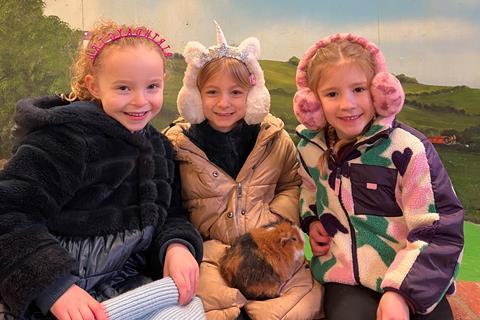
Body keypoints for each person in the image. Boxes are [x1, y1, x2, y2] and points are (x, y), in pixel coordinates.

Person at [0, 21, 206, 320]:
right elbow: (9, 213)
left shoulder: (159, 147)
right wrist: (53, 287)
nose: (140, 101)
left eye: (152, 87)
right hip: (61, 292)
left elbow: (170, 215)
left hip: (124, 283)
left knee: (190, 307)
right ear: (94, 85)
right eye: (123, 87)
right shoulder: (64, 140)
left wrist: (176, 246)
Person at [293, 33, 464, 320]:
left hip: (414, 276)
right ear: (313, 102)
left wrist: (401, 292)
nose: (347, 104)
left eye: (358, 89)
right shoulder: (309, 148)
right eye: (332, 94)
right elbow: (309, 189)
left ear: (379, 91)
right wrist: (311, 221)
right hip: (347, 276)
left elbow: (438, 230)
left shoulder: (408, 149)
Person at [164, 22, 323, 320]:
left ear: (252, 94)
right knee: (213, 308)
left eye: (236, 92)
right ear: (196, 97)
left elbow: (292, 183)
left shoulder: (274, 138)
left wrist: (275, 219)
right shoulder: (177, 146)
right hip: (209, 252)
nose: (224, 103)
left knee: (298, 305)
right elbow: (171, 206)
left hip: (271, 244)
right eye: (212, 92)